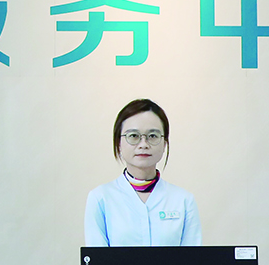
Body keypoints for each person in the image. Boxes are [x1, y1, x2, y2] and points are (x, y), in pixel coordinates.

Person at [84, 98, 201, 248]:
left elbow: (193, 260)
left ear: (164, 144)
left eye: (152, 136)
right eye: (133, 136)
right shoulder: (100, 198)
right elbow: (98, 260)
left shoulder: (184, 201)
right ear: (119, 143)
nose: (143, 144)